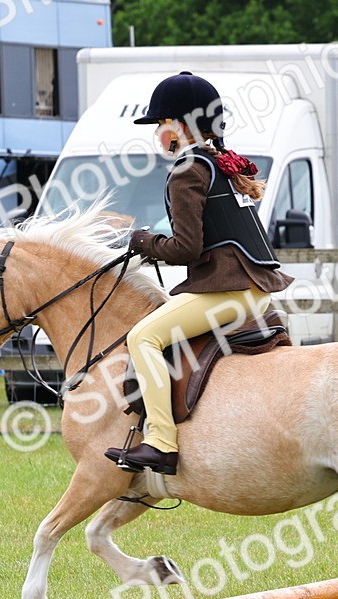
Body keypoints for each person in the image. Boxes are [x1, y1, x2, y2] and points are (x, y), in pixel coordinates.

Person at [103, 72, 294, 475]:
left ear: (179, 126)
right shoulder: (220, 164)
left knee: (143, 336)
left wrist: (142, 242)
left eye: (160, 123)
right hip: (257, 288)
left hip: (228, 290)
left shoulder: (188, 168)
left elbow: (186, 248)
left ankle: (160, 442)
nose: (157, 132)